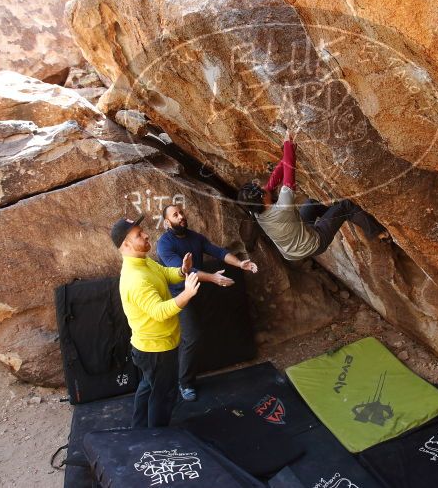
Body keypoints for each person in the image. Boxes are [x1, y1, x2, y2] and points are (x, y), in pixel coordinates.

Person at [237, 128, 389, 262]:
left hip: (293, 247)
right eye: (260, 188)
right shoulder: (282, 208)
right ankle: (379, 232)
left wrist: (287, 152)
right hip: (314, 244)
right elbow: (290, 169)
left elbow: (274, 179)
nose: (264, 186)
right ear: (263, 197)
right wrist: (287, 143)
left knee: (310, 204)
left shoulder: (255, 210)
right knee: (346, 205)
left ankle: (337, 216)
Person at [156, 204, 259, 402]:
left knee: (203, 333)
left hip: (199, 291)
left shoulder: (195, 237)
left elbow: (219, 252)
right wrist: (213, 278)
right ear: (167, 222)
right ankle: (184, 383)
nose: (181, 216)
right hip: (179, 297)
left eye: (181, 212)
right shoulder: (164, 244)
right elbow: (184, 271)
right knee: (192, 337)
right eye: (175, 215)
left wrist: (239, 263)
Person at [111, 216, 200, 428]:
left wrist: (181, 271)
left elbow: (165, 273)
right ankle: (158, 438)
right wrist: (187, 294)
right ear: (125, 244)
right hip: (156, 351)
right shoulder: (135, 278)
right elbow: (159, 312)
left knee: (148, 387)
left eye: (142, 231)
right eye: (138, 235)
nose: (146, 234)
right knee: (164, 395)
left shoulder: (144, 261)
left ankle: (139, 428)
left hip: (151, 349)